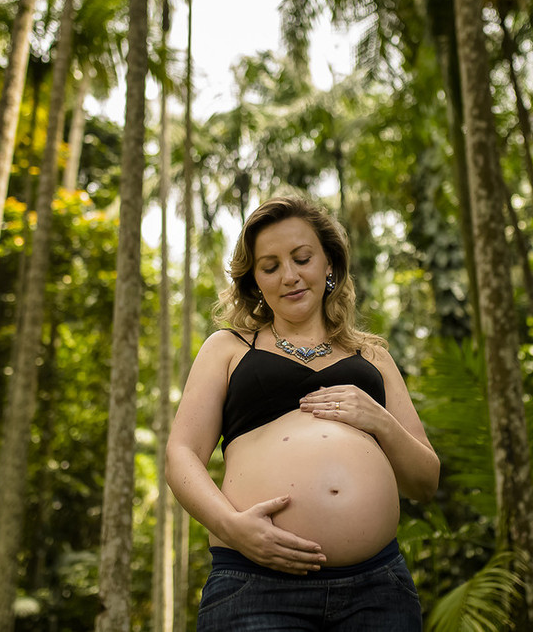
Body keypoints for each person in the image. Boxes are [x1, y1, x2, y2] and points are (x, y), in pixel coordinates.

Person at [167, 195, 440, 631]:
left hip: (377, 590)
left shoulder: (372, 356)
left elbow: (424, 481)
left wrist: (378, 421)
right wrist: (233, 528)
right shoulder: (229, 347)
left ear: (328, 263)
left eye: (302, 258)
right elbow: (181, 454)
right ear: (255, 280)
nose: (289, 276)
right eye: (270, 266)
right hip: (255, 584)